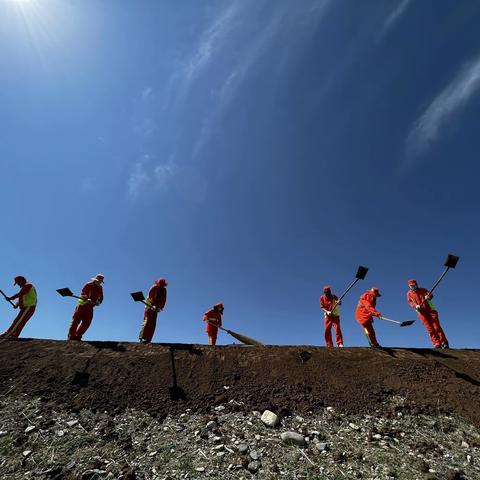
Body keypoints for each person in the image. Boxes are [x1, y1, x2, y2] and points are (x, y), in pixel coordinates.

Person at [406, 279, 449, 349]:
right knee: (430, 329)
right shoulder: (409, 294)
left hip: (431, 310)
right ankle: (437, 343)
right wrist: (415, 306)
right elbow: (410, 302)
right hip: (421, 313)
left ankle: (444, 343)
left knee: (437, 326)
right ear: (409, 286)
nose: (413, 286)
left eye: (414, 285)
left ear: (416, 284)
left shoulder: (423, 289)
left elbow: (430, 295)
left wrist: (428, 297)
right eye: (411, 285)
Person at [67, 274, 104, 341]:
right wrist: (86, 298)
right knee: (75, 321)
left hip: (90, 308)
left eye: (101, 281)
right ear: (95, 280)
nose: (99, 282)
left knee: (87, 323)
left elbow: (101, 297)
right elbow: (83, 293)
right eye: (98, 281)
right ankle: (71, 337)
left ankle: (78, 337)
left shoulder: (100, 288)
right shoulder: (88, 284)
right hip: (82, 305)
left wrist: (99, 302)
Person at [139, 278, 168, 344]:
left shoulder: (164, 290)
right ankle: (142, 337)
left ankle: (148, 339)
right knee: (147, 321)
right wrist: (151, 305)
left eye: (162, 285)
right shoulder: (154, 287)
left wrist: (160, 307)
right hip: (149, 307)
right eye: (160, 285)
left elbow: (163, 300)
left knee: (152, 324)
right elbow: (149, 297)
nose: (161, 286)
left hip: (156, 309)